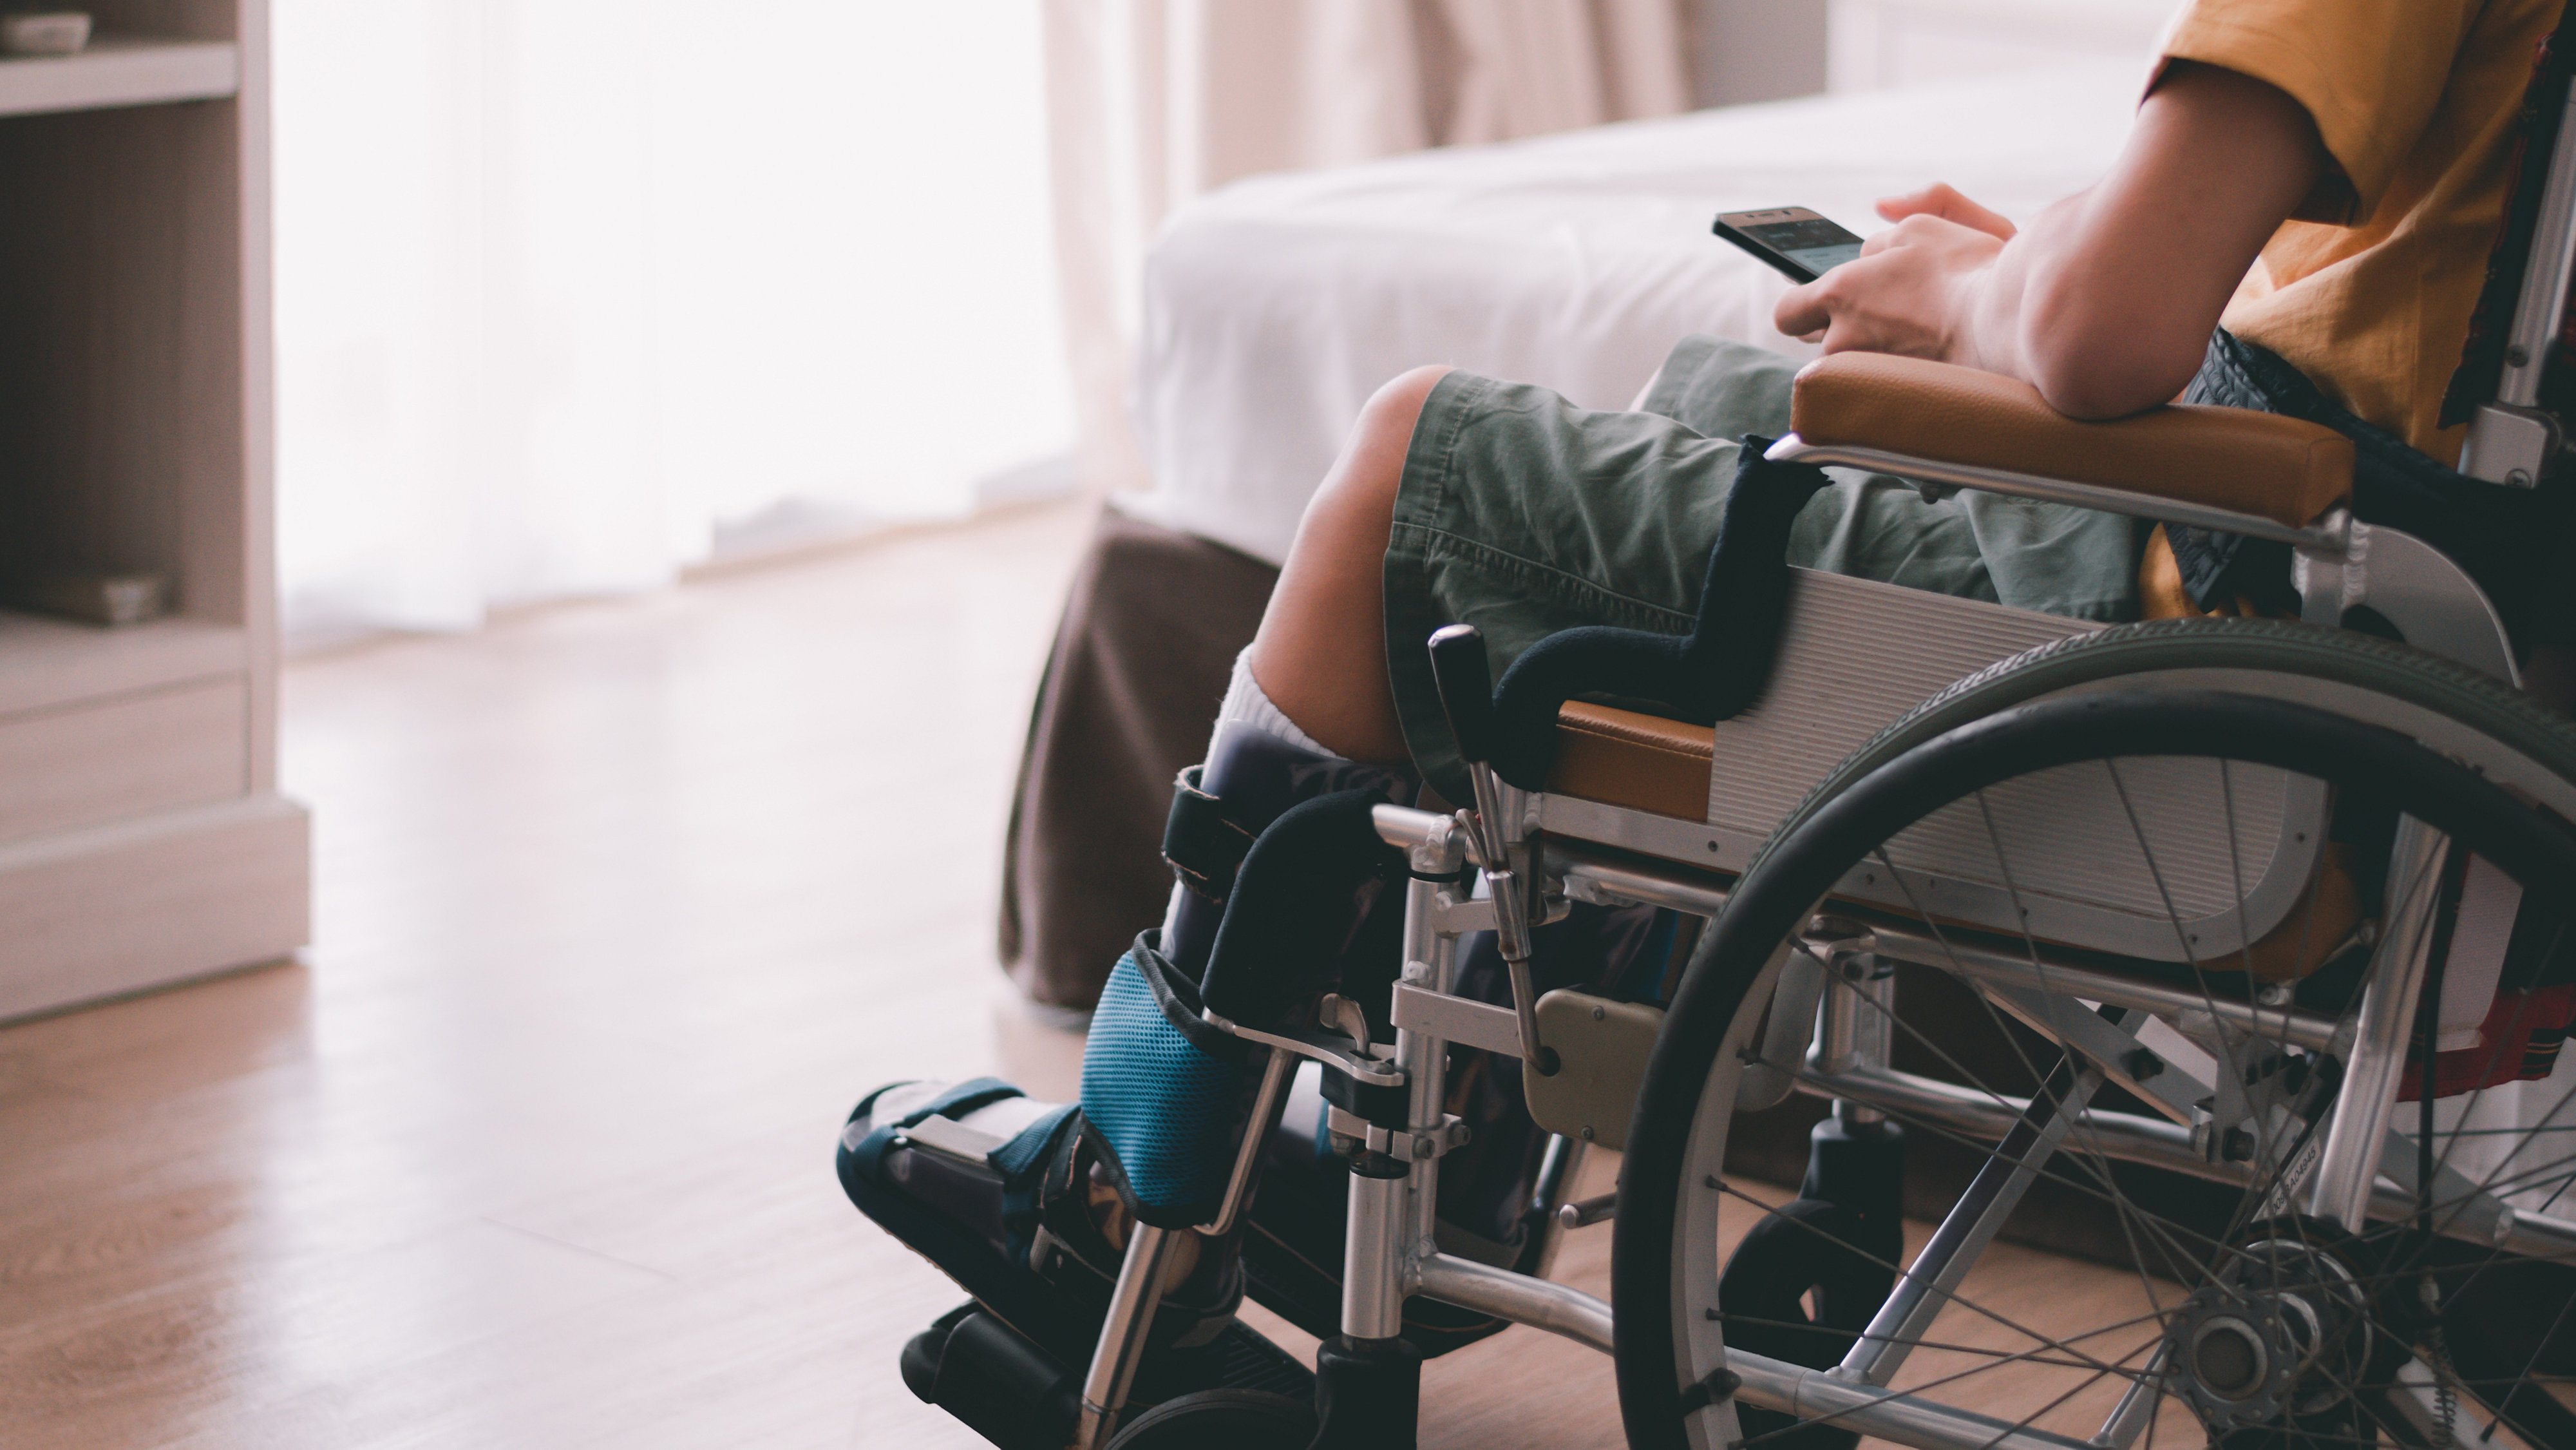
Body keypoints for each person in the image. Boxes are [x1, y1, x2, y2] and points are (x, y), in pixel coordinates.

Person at [1214, 0, 2571, 815]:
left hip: (2231, 630)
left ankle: (1140, 1174)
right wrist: (2017, 276)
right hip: (2425, 614)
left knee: (1414, 465)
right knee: (1713, 396)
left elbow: (2106, 336)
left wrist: (1979, 303)